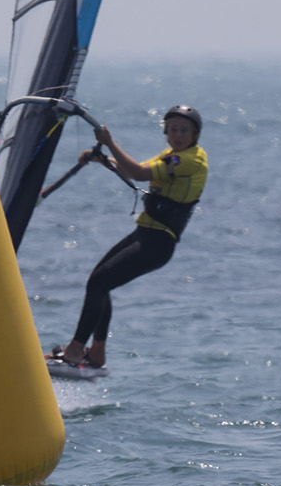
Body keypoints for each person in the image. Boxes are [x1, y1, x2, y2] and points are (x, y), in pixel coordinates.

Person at [57, 105, 208, 369]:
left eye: (184, 130)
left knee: (100, 284)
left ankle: (75, 350)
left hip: (158, 242)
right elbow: (132, 169)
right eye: (173, 129)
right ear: (166, 132)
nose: (178, 134)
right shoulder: (171, 155)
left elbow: (139, 173)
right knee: (98, 282)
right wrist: (102, 159)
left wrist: (109, 143)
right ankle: (96, 353)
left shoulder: (190, 159)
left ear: (195, 134)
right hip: (144, 233)